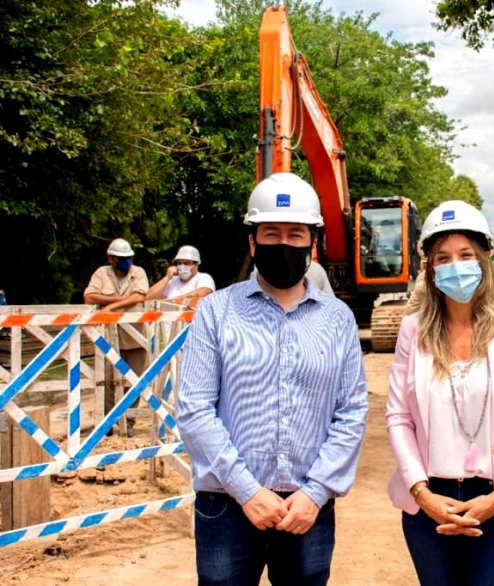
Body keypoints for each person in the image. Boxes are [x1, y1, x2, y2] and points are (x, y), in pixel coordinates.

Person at [177, 172, 368, 585]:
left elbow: (351, 413)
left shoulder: (337, 321)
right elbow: (194, 410)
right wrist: (247, 491)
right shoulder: (216, 312)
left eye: (296, 234)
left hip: (307, 510)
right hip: (227, 504)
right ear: (252, 241)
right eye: (271, 233)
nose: (283, 244)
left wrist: (316, 493)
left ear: (312, 244)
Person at [386, 200, 494, 586]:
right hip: (429, 503)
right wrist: (422, 495)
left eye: (465, 255)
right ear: (429, 268)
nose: (455, 265)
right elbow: (398, 417)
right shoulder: (413, 330)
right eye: (443, 257)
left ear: (485, 260)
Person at [84, 237, 150, 435]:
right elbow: (89, 296)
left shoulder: (138, 273)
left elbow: (139, 296)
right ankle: (107, 424)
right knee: (107, 380)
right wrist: (121, 299)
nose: (126, 261)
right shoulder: (101, 274)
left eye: (128, 257)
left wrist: (111, 306)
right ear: (112, 259)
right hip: (109, 338)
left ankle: (128, 422)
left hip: (135, 336)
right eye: (121, 258)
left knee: (134, 381)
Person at [145, 245, 216, 304]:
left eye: (186, 263)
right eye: (179, 263)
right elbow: (149, 298)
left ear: (196, 265)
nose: (182, 266)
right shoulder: (172, 281)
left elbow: (202, 293)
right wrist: (167, 277)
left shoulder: (204, 278)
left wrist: (174, 301)